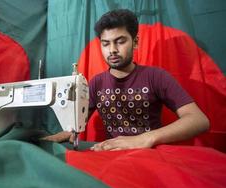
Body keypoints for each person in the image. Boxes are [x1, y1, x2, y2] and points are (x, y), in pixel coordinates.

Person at [43, 9, 209, 151]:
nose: (112, 50)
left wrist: (145, 139)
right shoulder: (96, 83)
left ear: (135, 42)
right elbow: (78, 120)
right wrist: (65, 133)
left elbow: (198, 120)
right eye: (106, 44)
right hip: (112, 155)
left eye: (120, 42)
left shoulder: (156, 77)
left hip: (151, 156)